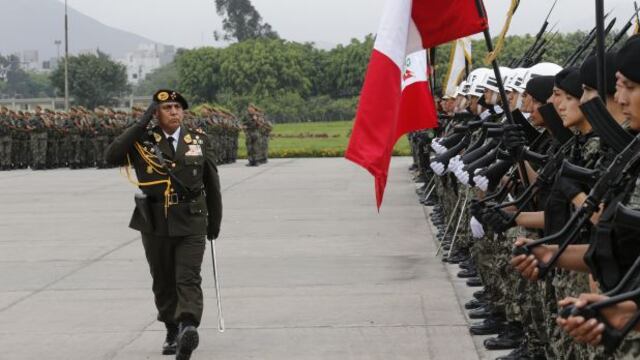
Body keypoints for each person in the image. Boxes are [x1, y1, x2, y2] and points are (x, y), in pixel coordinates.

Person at [105, 89, 222, 360]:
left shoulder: (199, 140)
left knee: (188, 277)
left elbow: (212, 183)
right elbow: (111, 156)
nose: (174, 112)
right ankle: (171, 328)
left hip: (192, 218)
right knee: (163, 278)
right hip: (155, 220)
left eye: (177, 107)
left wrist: (215, 221)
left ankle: (187, 326)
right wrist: (140, 124)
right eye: (167, 108)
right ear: (155, 114)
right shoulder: (142, 141)